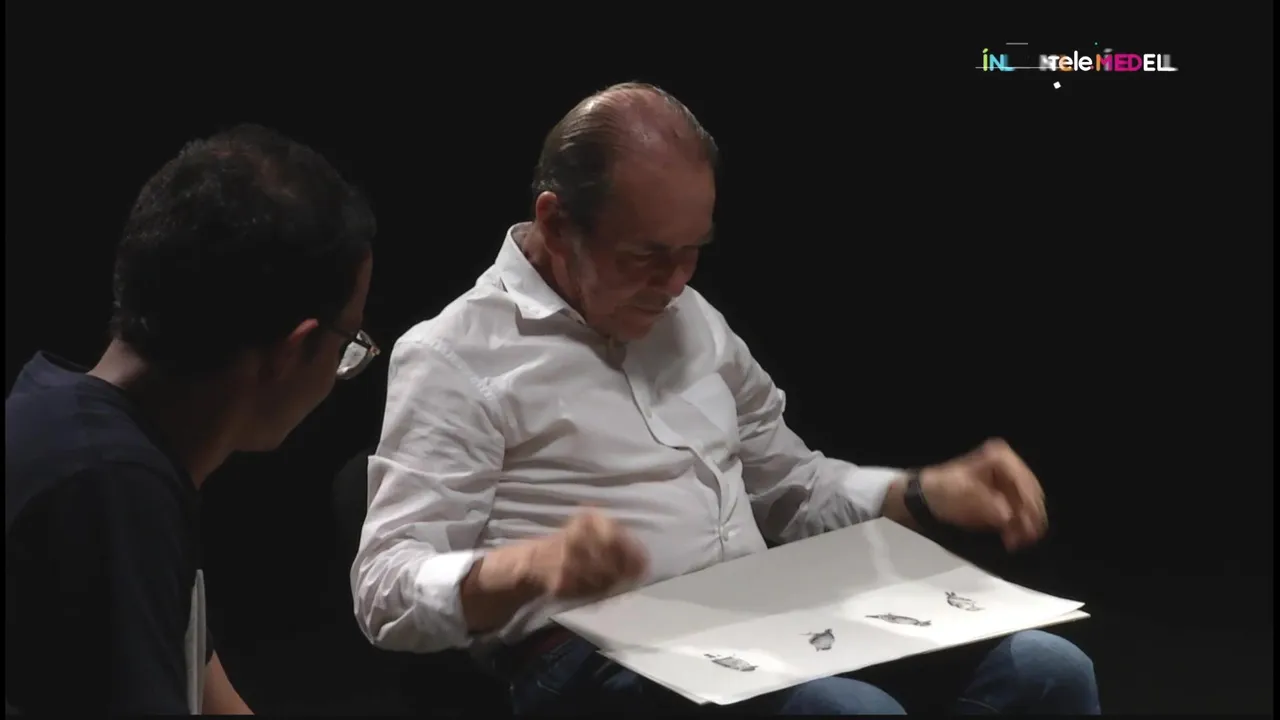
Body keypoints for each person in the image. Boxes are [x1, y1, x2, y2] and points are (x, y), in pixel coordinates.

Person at [351, 83, 1099, 715]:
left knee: (1047, 671)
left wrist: (926, 492)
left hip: (754, 617)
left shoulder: (692, 319)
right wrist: (530, 567)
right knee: (846, 714)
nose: (676, 283)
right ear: (555, 222)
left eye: (693, 252)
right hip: (589, 654)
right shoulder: (457, 355)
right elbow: (384, 588)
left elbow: (793, 488)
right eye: (648, 256)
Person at [5, 124, 379, 715]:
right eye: (347, 342)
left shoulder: (63, 418)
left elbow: (205, 687)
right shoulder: (109, 488)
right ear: (291, 351)